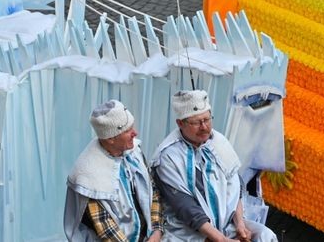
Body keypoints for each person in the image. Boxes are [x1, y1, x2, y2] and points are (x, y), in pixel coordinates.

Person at [153, 90, 277, 242]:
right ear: (180, 123)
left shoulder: (218, 140)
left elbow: (234, 185)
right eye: (196, 122)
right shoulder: (168, 157)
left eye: (207, 119)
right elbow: (186, 208)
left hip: (226, 223)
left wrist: (240, 224)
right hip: (188, 231)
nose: (204, 127)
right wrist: (220, 239)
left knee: (266, 236)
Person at [64, 100, 164, 242]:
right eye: (128, 130)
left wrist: (156, 231)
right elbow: (106, 230)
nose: (135, 133)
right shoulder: (88, 176)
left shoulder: (133, 151)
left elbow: (152, 191)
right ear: (111, 138)